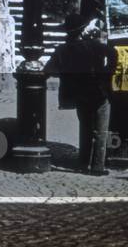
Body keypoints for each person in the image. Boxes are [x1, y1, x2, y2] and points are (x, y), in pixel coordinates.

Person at [44, 13, 119, 174]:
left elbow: (49, 69)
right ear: (82, 30)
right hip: (98, 91)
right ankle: (97, 166)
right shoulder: (93, 45)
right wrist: (107, 73)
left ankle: (83, 163)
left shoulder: (62, 49)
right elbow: (113, 53)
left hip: (78, 93)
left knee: (85, 128)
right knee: (100, 130)